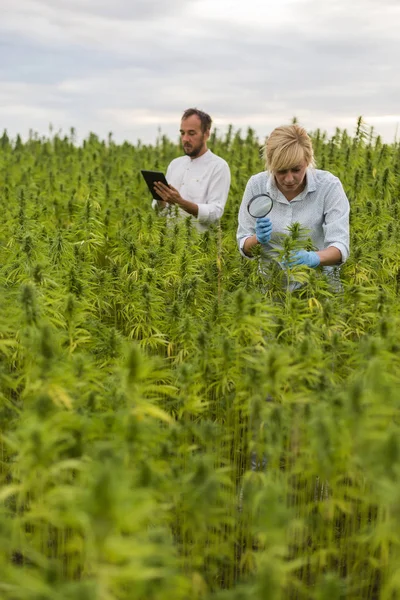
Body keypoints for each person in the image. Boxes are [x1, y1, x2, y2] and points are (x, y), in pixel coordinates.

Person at [237, 124, 350, 286]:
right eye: (281, 171)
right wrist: (257, 240)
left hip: (318, 287)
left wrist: (313, 258)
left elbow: (340, 247)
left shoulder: (329, 186)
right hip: (270, 289)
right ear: (270, 164)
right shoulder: (256, 185)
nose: (289, 179)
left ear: (308, 160)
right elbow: (244, 243)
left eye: (296, 169)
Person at [152, 108, 231, 233]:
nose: (185, 139)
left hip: (201, 247)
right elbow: (161, 213)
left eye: (191, 133)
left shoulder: (218, 166)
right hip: (170, 246)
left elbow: (215, 212)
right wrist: (160, 198)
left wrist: (180, 202)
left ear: (206, 134)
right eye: (182, 133)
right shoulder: (175, 164)